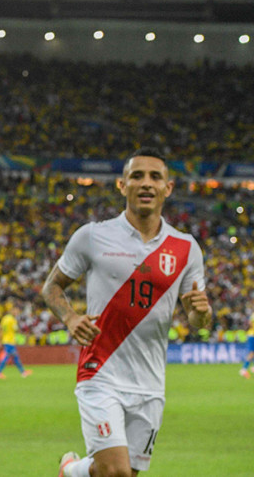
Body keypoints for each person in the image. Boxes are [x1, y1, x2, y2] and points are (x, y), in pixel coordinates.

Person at [42, 147, 211, 477]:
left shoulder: (186, 248)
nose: (146, 183)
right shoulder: (92, 236)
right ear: (122, 186)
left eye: (155, 177)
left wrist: (201, 313)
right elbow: (51, 286)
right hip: (100, 370)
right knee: (115, 471)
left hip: (150, 382)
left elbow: (198, 320)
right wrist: (71, 317)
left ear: (168, 188)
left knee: (124, 474)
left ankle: (71, 472)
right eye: (137, 176)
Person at [0, 303, 32, 379]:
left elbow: (1, 329)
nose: (17, 313)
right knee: (7, 357)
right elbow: (16, 330)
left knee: (15, 357)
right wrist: (24, 334)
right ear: (13, 310)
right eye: (16, 311)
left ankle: (23, 372)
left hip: (6, 340)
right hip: (9, 341)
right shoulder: (12, 319)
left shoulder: (5, 318)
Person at [241, 309, 254, 379]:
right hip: (252, 335)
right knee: (251, 353)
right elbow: (250, 324)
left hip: (251, 335)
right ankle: (244, 369)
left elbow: (250, 323)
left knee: (252, 353)